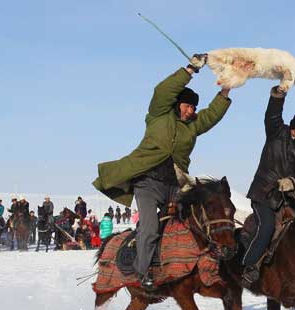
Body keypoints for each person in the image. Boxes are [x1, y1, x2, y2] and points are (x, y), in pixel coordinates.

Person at [92, 54, 232, 291]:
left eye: (194, 108)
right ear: (178, 105)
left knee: (196, 219)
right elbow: (163, 91)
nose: (192, 111)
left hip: (175, 185)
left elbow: (210, 117)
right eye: (188, 106)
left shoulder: (192, 126)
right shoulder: (158, 115)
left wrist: (226, 91)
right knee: (149, 227)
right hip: (148, 183)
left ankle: (201, 265)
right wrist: (189, 70)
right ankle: (143, 271)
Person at [242, 85, 295, 285]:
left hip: (292, 198)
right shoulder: (277, 134)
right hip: (264, 195)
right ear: (293, 132)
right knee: (267, 227)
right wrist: (278, 95)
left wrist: (293, 183)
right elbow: (273, 115)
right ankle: (250, 266)